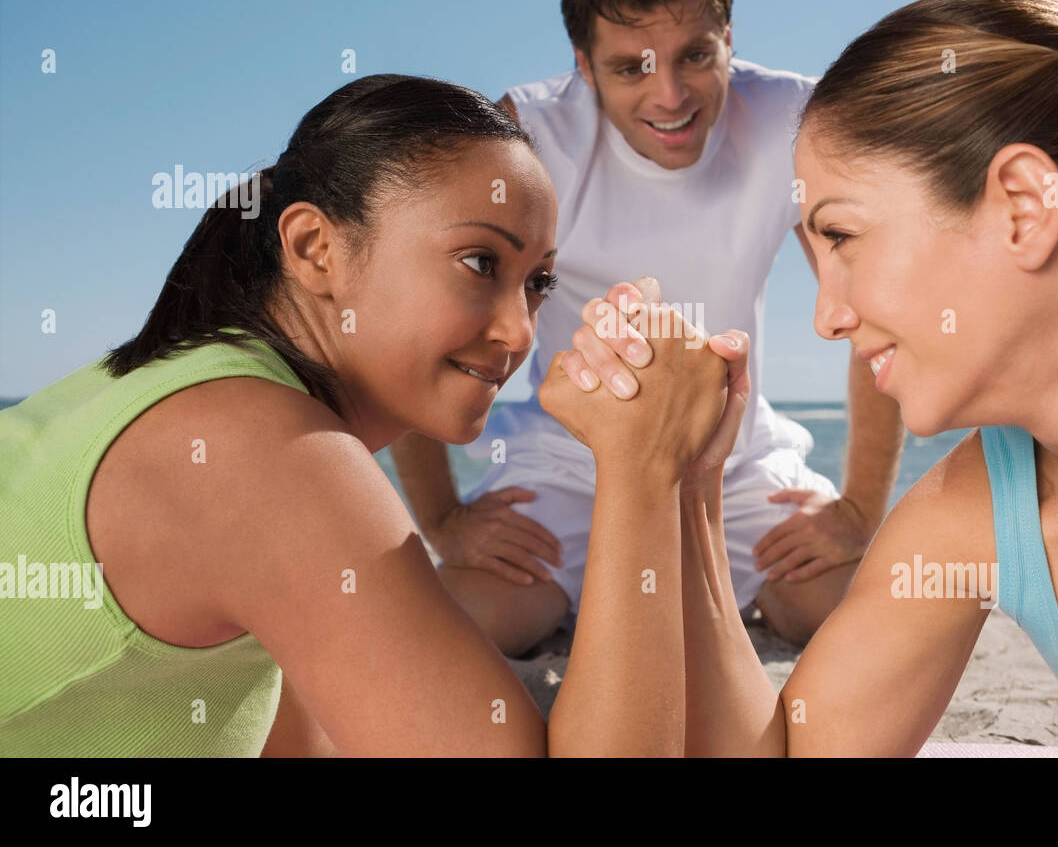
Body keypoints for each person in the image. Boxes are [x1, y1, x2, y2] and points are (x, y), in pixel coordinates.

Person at [559, 0, 1058, 756]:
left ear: (1023, 208)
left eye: (841, 236)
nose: (827, 316)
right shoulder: (968, 521)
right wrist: (689, 481)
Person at [0, 73, 747, 757]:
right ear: (314, 247)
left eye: (539, 284)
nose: (521, 333)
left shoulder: (198, 393)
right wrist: (641, 467)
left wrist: (689, 476)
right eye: (481, 263)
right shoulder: (259, 452)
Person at [391, 0, 904, 656]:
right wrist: (441, 518)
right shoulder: (525, 140)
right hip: (567, 468)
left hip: (739, 464)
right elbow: (415, 316)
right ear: (582, 63)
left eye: (695, 55)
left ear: (729, 39)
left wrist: (859, 508)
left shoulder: (798, 122)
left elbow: (877, 307)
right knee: (454, 638)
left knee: (866, 626)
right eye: (631, 66)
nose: (669, 95)